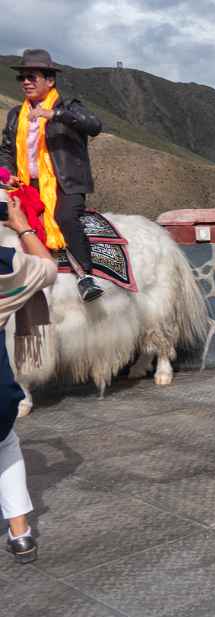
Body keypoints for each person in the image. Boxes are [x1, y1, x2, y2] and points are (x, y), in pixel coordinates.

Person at [0, 49, 103, 302]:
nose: (26, 82)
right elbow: (5, 150)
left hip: (65, 184)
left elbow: (94, 125)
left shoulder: (69, 106)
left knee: (65, 217)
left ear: (50, 80)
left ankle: (84, 277)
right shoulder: (16, 115)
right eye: (22, 77)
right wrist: (8, 173)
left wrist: (55, 115)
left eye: (32, 77)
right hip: (26, 184)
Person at [0, 194, 58, 562]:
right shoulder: (8, 266)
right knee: (5, 445)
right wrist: (21, 224)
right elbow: (48, 269)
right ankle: (21, 533)